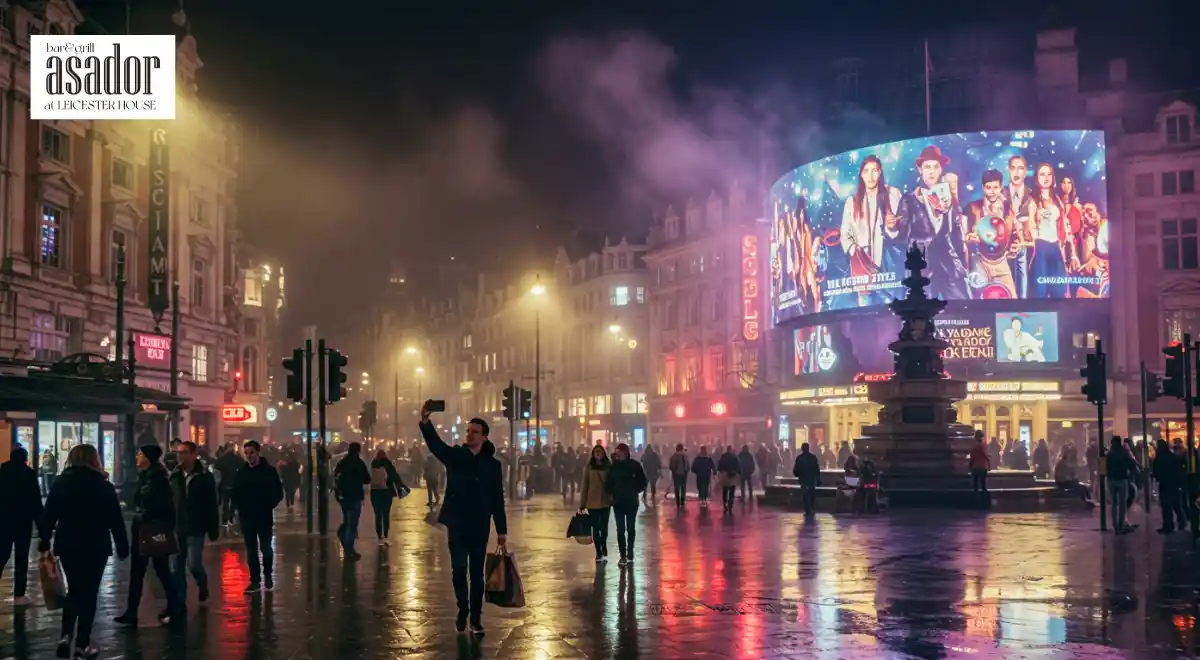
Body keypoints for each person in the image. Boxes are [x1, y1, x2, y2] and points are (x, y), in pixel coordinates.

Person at [419, 404, 507, 635]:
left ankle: (476, 617)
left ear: (484, 437)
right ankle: (463, 609)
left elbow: (497, 497)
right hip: (457, 523)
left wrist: (501, 529)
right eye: (468, 430)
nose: (469, 434)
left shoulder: (493, 465)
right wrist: (426, 423)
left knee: (477, 574)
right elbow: (436, 446)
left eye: (474, 431)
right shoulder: (456, 456)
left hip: (479, 524)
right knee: (459, 570)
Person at [40, 445, 128, 660]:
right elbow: (115, 519)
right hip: (96, 544)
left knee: (75, 589)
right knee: (89, 593)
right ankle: (82, 644)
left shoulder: (61, 482)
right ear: (94, 460)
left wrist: (44, 540)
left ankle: (65, 635)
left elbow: (49, 514)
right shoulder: (103, 485)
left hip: (68, 542)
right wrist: (122, 546)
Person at [115, 444, 183, 627]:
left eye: (140, 453)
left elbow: (150, 502)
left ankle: (173, 607)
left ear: (148, 457)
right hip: (144, 528)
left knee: (159, 571)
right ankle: (132, 611)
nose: (137, 456)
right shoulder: (146, 476)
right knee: (141, 572)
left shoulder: (157, 478)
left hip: (152, 530)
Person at [168, 441, 218, 607]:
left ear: (193, 455)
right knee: (177, 567)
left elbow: (212, 504)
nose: (180, 456)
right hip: (177, 526)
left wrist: (213, 529)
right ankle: (180, 601)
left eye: (184, 453)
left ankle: (202, 583)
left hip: (196, 526)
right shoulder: (175, 475)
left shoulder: (204, 476)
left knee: (194, 563)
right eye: (178, 453)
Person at [232, 440, 284, 591]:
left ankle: (267, 574)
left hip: (263, 516)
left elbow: (278, 492)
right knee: (251, 549)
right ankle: (255, 580)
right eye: (246, 453)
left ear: (258, 453)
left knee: (266, 548)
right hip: (246, 517)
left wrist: (268, 505)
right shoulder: (241, 472)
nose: (249, 456)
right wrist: (236, 510)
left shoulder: (269, 471)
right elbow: (235, 493)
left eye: (252, 453)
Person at [0, 446, 45, 606]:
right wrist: (42, 529)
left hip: (3, 522)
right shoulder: (29, 475)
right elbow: (36, 504)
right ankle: (19, 595)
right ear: (25, 459)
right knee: (21, 558)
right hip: (23, 523)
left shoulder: (2, 472)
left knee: (1, 555)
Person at [604, 443, 647, 566]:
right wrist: (612, 493)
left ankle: (630, 551)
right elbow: (608, 483)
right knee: (620, 529)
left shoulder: (635, 465)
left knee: (630, 528)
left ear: (626, 452)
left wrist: (635, 490)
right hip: (618, 502)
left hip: (631, 501)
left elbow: (643, 481)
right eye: (617, 451)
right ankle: (623, 555)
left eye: (621, 451)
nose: (619, 454)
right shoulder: (614, 467)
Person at [333, 442, 370, 559]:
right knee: (353, 523)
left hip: (343, 496)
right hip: (355, 496)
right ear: (358, 450)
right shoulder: (359, 463)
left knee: (347, 519)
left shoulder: (343, 462)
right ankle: (349, 549)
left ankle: (343, 536)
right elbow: (367, 479)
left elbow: (335, 474)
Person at [579, 445, 613, 562]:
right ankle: (598, 551)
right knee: (595, 528)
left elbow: (613, 484)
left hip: (605, 502)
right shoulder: (589, 468)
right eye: (596, 452)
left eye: (600, 452)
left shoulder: (608, 467)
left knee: (603, 528)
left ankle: (603, 545)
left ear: (604, 453)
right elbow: (585, 486)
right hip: (592, 502)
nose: (598, 454)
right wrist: (582, 503)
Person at [369, 449, 409, 546]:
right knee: (385, 514)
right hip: (386, 492)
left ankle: (379, 537)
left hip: (375, 492)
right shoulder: (388, 464)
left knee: (377, 515)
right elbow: (395, 477)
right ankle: (386, 536)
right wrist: (404, 487)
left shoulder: (373, 464)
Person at [1153, 439, 1188, 533]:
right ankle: (1182, 522)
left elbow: (1156, 472)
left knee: (1166, 507)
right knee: (1177, 505)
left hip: (1164, 485)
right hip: (1174, 485)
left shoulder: (1159, 458)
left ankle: (1168, 526)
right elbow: (1180, 471)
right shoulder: (1173, 457)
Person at [1105, 436, 1136, 534]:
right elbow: (1132, 465)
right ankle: (1121, 524)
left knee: (1114, 503)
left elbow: (1104, 466)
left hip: (1111, 480)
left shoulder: (1109, 454)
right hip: (1122, 480)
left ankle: (1115, 525)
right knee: (1122, 503)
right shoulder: (1124, 453)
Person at [215, 443, 243, 529]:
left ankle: (224, 520)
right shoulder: (237, 458)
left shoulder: (221, 459)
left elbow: (217, 468)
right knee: (233, 503)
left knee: (225, 503)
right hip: (235, 484)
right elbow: (243, 467)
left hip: (225, 484)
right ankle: (230, 519)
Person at [792, 442, 821, 518]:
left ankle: (808, 510)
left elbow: (796, 469)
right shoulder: (812, 457)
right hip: (810, 478)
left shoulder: (800, 458)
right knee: (810, 494)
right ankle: (811, 509)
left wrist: (797, 474)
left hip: (804, 479)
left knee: (806, 495)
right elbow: (816, 469)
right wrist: (818, 478)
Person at [717, 445, 740, 513]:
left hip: (725, 474)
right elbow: (738, 465)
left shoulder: (724, 456)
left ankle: (725, 504)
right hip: (732, 474)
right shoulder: (734, 456)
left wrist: (720, 471)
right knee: (732, 490)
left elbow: (720, 465)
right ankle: (730, 503)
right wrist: (738, 472)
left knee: (725, 490)